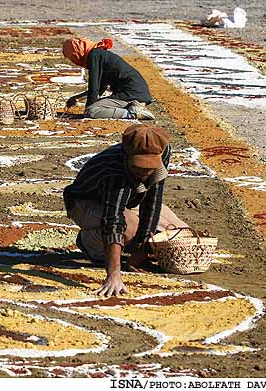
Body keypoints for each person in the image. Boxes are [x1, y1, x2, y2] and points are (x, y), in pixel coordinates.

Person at [63, 124, 188, 297]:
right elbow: (113, 219)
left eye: (149, 168)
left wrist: (142, 246)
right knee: (129, 229)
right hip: (86, 203)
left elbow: (153, 200)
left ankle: (129, 246)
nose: (144, 173)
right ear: (126, 155)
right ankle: (89, 242)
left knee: (177, 233)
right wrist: (114, 274)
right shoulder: (113, 168)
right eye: (138, 167)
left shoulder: (163, 151)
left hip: (128, 201)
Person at [62, 37, 155, 120]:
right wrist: (77, 98)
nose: (74, 61)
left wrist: (88, 111)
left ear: (76, 51)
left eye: (72, 57)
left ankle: (132, 113)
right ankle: (133, 108)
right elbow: (100, 89)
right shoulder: (99, 54)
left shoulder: (94, 56)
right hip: (136, 93)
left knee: (92, 111)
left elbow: (94, 89)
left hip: (131, 95)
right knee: (97, 106)